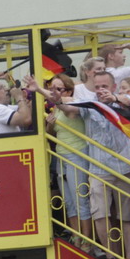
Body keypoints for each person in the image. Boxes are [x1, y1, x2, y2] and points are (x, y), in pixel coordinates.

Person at [35, 70, 130, 259]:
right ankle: (113, 258)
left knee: (126, 217)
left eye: (105, 86)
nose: (101, 90)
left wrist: (114, 97)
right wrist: (50, 96)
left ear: (113, 86)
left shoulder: (122, 100)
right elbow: (68, 108)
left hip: (125, 166)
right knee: (100, 215)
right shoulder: (88, 102)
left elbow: (129, 99)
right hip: (99, 168)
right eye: (98, 86)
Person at [35, 72, 93, 248]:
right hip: (61, 155)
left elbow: (70, 113)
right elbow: (52, 134)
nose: (53, 92)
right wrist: (49, 125)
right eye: (51, 88)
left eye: (58, 89)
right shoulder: (55, 107)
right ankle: (77, 237)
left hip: (77, 154)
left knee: (80, 200)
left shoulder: (73, 103)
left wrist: (39, 89)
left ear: (68, 91)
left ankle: (87, 241)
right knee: (69, 201)